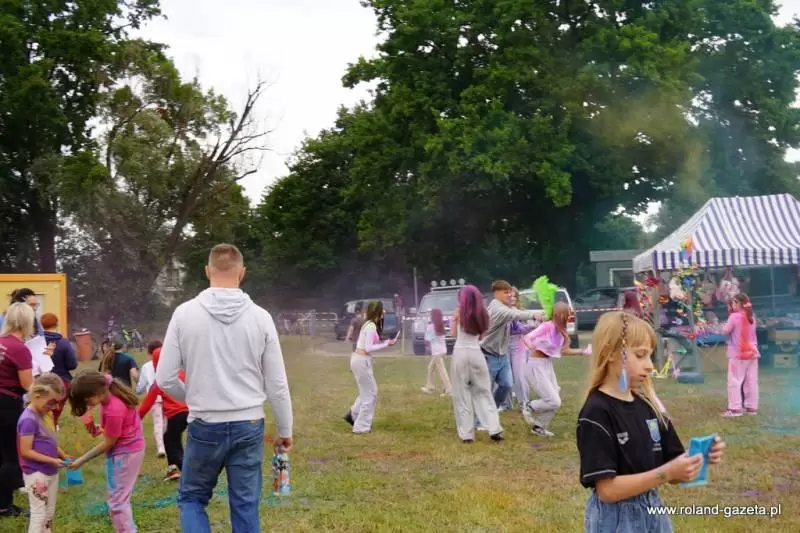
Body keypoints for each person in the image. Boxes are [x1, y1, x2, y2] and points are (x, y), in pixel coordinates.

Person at [156, 243, 293, 533]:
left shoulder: (184, 314)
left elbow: (165, 377)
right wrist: (285, 430)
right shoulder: (261, 317)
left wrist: (195, 398)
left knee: (192, 499)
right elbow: (277, 384)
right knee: (245, 505)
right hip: (249, 423)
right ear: (242, 273)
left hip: (205, 423)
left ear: (208, 271)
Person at [576, 311, 726, 533]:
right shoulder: (596, 412)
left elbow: (673, 468)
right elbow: (607, 491)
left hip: (654, 511)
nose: (649, 366)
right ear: (610, 353)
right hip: (616, 520)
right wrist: (668, 473)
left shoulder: (650, 406)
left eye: (650, 356)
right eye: (640, 355)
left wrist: (697, 458)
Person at [68, 371, 144, 532]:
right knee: (117, 499)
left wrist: (81, 460)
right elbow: (118, 429)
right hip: (126, 451)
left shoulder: (113, 409)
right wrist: (102, 429)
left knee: (117, 503)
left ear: (97, 392)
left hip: (125, 455)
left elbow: (109, 443)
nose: (87, 403)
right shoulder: (107, 387)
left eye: (86, 399)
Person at [522, 302, 589, 437]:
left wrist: (583, 351)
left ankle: (539, 427)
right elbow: (527, 337)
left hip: (546, 364)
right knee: (553, 401)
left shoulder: (560, 330)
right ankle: (529, 406)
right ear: (560, 314)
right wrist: (530, 346)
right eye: (567, 314)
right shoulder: (547, 326)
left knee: (555, 399)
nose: (569, 316)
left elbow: (564, 351)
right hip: (535, 365)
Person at [17, 373, 71, 533]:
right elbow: (25, 451)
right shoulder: (28, 420)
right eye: (52, 402)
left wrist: (62, 455)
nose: (55, 407)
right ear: (37, 396)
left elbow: (50, 439)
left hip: (51, 471)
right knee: (39, 514)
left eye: (57, 403)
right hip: (36, 473)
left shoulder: (45, 414)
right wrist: (52, 460)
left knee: (49, 513)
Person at [450, 285, 504, 443]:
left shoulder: (458, 312)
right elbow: (481, 337)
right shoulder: (483, 314)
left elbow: (454, 333)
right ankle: (494, 428)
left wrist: (454, 320)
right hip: (476, 353)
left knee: (462, 394)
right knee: (484, 392)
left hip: (460, 353)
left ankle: (467, 434)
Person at [481, 280, 543, 409]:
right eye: (506, 292)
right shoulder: (498, 309)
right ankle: (485, 414)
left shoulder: (505, 307)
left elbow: (517, 315)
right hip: (489, 353)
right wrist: (534, 315)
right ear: (496, 293)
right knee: (487, 388)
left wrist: (535, 321)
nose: (510, 295)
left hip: (503, 352)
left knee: (508, 384)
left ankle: (495, 408)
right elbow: (514, 315)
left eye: (511, 293)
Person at [0, 302, 36, 518]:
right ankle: (4, 505)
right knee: (10, 456)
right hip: (7, 403)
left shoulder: (1, 342)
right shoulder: (19, 348)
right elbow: (26, 384)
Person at [344, 300, 397, 433]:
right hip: (361, 360)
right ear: (377, 312)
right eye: (382, 309)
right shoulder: (370, 326)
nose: (384, 312)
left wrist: (385, 342)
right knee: (370, 394)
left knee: (368, 392)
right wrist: (386, 344)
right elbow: (368, 348)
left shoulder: (369, 324)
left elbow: (369, 343)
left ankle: (353, 415)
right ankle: (361, 426)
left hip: (359, 359)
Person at [139, 347, 189, 481]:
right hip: (190, 412)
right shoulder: (181, 374)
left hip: (176, 415)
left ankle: (187, 471)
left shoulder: (159, 381)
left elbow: (146, 405)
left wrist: (135, 420)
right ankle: (173, 469)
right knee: (172, 439)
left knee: (171, 443)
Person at [721, 293, 759, 417]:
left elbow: (725, 331)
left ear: (738, 303)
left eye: (733, 303)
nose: (731, 305)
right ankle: (751, 407)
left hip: (739, 353)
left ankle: (735, 409)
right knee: (751, 381)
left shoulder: (734, 316)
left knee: (734, 381)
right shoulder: (751, 316)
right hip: (752, 352)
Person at [40, 313, 77, 428]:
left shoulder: (37, 342)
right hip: (61, 380)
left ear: (41, 325)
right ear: (57, 324)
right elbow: (72, 364)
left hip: (41, 380)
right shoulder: (64, 342)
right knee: (56, 408)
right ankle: (53, 425)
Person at [135, 341, 166, 458]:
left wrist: (137, 390)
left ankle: (161, 447)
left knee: (158, 423)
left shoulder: (146, 367)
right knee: (166, 422)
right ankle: (166, 442)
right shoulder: (167, 364)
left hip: (154, 399)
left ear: (149, 353)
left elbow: (141, 385)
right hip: (167, 397)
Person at [508, 287, 536, 410]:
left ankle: (524, 402)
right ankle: (506, 404)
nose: (512, 298)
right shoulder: (501, 311)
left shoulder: (522, 312)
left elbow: (529, 328)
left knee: (519, 375)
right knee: (505, 377)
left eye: (515, 296)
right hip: (503, 344)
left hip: (518, 345)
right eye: (510, 296)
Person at [421, 308, 452, 396]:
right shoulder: (441, 325)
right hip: (442, 350)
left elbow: (426, 341)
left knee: (442, 371)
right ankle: (430, 387)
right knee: (430, 368)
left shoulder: (431, 327)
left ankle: (449, 390)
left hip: (436, 352)